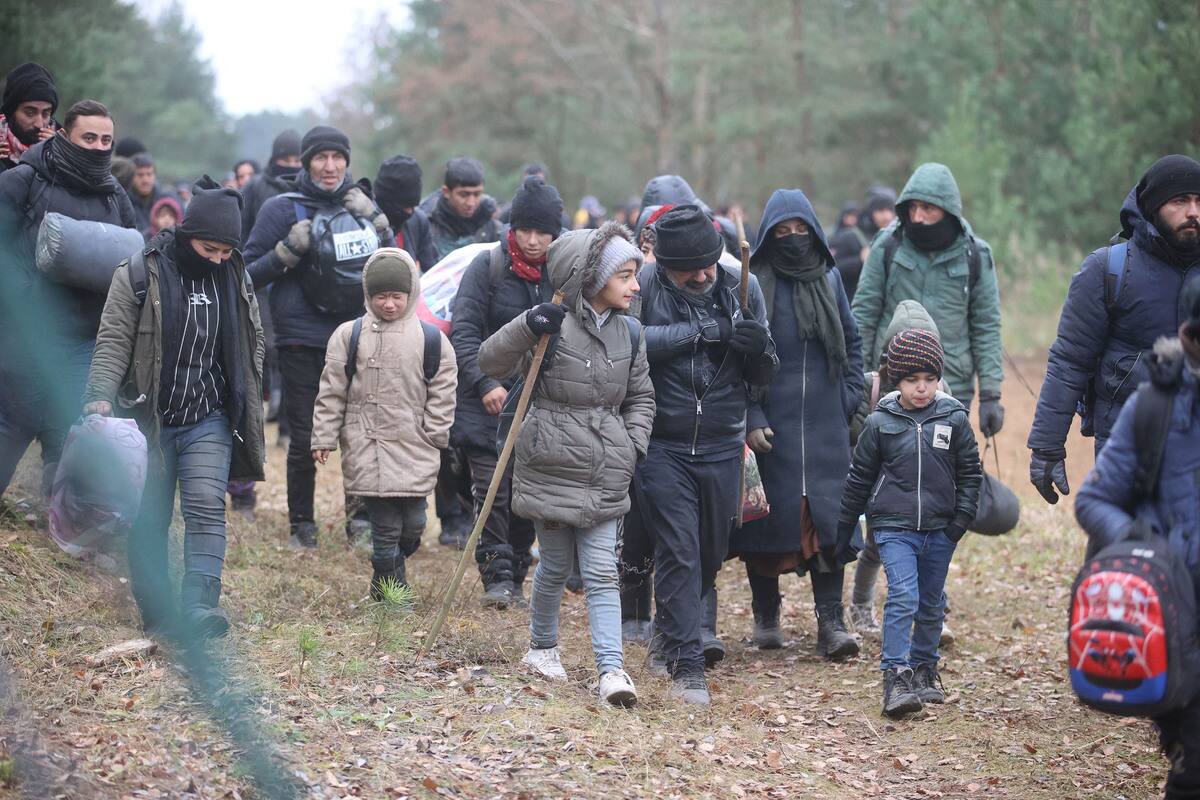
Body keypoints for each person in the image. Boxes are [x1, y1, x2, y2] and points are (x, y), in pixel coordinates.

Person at [478, 221, 654, 707]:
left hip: (606, 470)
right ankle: (541, 648)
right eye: (625, 275)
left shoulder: (632, 334)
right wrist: (528, 324)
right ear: (593, 278)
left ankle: (611, 671)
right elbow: (490, 360)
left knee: (601, 572)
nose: (635, 285)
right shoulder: (550, 325)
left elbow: (641, 398)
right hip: (551, 464)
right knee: (554, 566)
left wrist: (631, 445)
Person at [82, 177, 265, 639]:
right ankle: (157, 610)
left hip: (209, 415)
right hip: (149, 419)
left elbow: (252, 341)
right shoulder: (140, 273)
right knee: (151, 514)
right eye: (209, 248)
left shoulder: (234, 275)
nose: (217, 259)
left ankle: (200, 606)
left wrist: (246, 395)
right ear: (188, 233)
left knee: (205, 504)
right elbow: (114, 340)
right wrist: (99, 394)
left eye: (226, 252)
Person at [634, 203, 777, 705]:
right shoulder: (644, 286)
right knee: (679, 550)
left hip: (722, 444)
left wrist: (758, 350)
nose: (702, 275)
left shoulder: (743, 287)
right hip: (661, 443)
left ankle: (669, 635)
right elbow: (631, 342)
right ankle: (687, 666)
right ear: (665, 265)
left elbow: (764, 377)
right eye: (688, 268)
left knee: (711, 555)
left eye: (709, 264)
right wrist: (701, 333)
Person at [1075, 279, 1200, 799]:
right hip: (1180, 615)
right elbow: (1093, 499)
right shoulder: (1153, 408)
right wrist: (1141, 543)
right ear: (1189, 335)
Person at [243, 124, 393, 549]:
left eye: (337, 158)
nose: (330, 167)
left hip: (358, 334)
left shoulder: (362, 205)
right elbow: (246, 275)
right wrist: (284, 253)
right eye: (320, 158)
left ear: (347, 161)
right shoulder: (281, 208)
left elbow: (396, 267)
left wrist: (379, 222)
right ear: (306, 163)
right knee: (305, 434)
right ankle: (302, 527)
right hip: (300, 337)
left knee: (360, 432)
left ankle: (360, 523)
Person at [730, 189, 864, 660]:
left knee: (829, 524)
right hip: (773, 427)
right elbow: (739, 361)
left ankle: (832, 621)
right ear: (768, 235)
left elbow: (852, 343)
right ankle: (766, 615)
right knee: (766, 527)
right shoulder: (753, 283)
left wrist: (848, 398)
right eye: (782, 231)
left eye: (800, 230)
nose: (792, 239)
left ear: (814, 232)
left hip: (827, 426)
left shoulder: (828, 280)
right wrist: (752, 414)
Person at [1028, 155, 1200, 503]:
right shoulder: (1108, 270)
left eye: (1199, 201)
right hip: (1127, 436)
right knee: (1127, 544)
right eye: (1180, 201)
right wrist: (1047, 446)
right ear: (1153, 207)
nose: (1193, 212)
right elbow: (1069, 361)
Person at [838, 328, 980, 718]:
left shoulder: (953, 418)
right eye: (912, 380)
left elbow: (970, 473)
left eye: (930, 380)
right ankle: (895, 676)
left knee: (932, 602)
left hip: (940, 528)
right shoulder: (881, 422)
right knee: (904, 596)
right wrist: (845, 527)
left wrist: (959, 521)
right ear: (896, 380)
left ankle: (924, 668)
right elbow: (859, 477)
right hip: (893, 526)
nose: (922, 389)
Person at [0, 99, 137, 498]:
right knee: (15, 422)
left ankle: (63, 527)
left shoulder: (115, 196)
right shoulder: (24, 180)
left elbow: (136, 259)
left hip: (85, 340)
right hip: (27, 332)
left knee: (72, 431)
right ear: (64, 135)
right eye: (88, 137)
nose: (97, 146)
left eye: (106, 140)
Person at [311, 248, 457, 597]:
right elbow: (332, 391)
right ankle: (393, 596)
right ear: (368, 295)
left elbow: (444, 388)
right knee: (386, 527)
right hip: (367, 442)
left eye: (396, 296)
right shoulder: (350, 335)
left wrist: (435, 432)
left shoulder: (431, 339)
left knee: (414, 525)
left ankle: (385, 576)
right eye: (380, 297)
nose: (389, 304)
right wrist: (324, 437)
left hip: (414, 443)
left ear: (410, 295)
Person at [450, 175, 564, 606]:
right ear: (511, 228)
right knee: (492, 490)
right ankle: (496, 574)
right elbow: (463, 330)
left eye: (542, 232)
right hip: (486, 402)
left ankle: (517, 566)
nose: (532, 241)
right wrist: (485, 383)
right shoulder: (488, 267)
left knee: (526, 491)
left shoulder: (564, 273)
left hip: (541, 400)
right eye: (525, 230)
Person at [852, 163, 1004, 431]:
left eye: (928, 209)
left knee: (943, 469)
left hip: (952, 386)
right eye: (912, 208)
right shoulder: (887, 246)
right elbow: (864, 315)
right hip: (891, 384)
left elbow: (986, 325)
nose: (918, 217)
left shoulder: (976, 255)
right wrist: (858, 382)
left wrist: (991, 394)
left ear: (948, 211)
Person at [847, 300, 947, 636]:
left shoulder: (940, 394)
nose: (921, 384)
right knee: (876, 548)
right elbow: (856, 440)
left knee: (931, 551)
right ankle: (861, 606)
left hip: (928, 491)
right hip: (884, 492)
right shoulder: (871, 387)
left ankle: (932, 615)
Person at [427, 157, 502, 261]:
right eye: (463, 195)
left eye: (477, 194)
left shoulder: (492, 228)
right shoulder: (427, 226)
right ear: (446, 192)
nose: (471, 203)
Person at [374, 156, 437, 272]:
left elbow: (433, 270)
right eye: (403, 207)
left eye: (413, 206)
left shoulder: (418, 220)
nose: (409, 212)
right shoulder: (366, 226)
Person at [240, 130, 302, 239]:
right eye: (285, 160)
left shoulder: (309, 188)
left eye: (297, 161)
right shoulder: (255, 186)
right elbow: (241, 228)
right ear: (274, 160)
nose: (292, 165)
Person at [0, 63, 58, 175]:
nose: (40, 124)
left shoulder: (64, 144)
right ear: (11, 112)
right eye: (30, 113)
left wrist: (58, 158)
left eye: (46, 114)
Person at [828, 201, 869, 301]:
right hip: (842, 290)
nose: (852, 219)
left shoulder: (863, 236)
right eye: (849, 215)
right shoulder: (835, 237)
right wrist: (860, 260)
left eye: (855, 216)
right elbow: (834, 266)